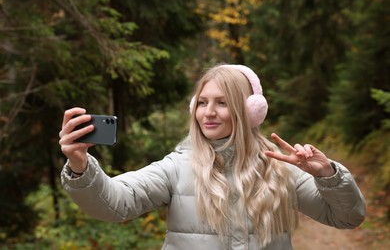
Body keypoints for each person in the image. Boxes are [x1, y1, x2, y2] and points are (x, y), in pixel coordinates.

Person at [59, 64, 366, 249]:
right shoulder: (177, 166)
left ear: (250, 111)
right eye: (202, 102)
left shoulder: (280, 168)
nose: (208, 112)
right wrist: (80, 165)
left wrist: (328, 176)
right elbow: (116, 203)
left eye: (222, 103)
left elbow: (348, 217)